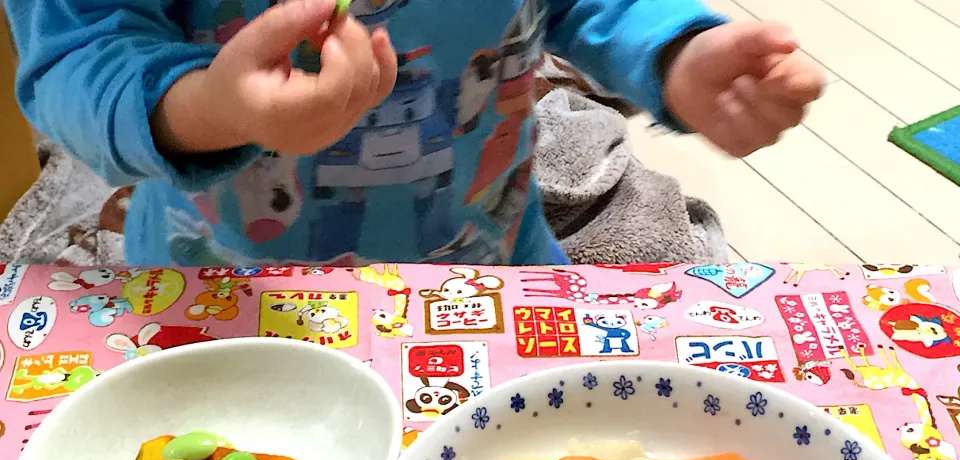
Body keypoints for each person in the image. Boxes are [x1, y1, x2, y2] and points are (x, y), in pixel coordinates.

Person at [5, 0, 823, 267]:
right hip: (221, 291)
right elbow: (77, 56)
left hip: (496, 272)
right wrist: (212, 109)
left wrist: (675, 49)